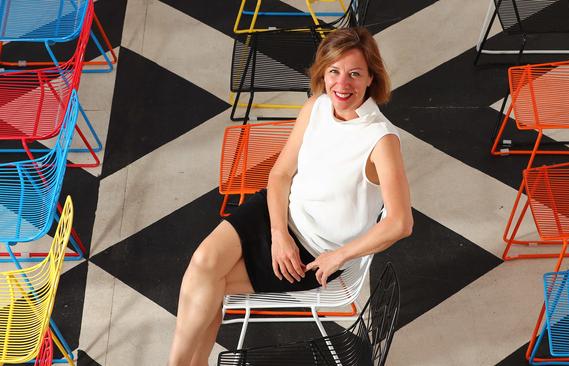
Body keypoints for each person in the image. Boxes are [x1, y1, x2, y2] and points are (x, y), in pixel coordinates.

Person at [168, 26, 412, 366]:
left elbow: (401, 223)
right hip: (276, 215)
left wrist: (337, 257)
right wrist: (279, 234)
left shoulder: (381, 140)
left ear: (371, 77)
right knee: (203, 264)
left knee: (210, 283)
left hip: (313, 252)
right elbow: (280, 174)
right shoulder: (316, 106)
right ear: (323, 73)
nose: (342, 84)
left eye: (355, 74)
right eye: (334, 72)